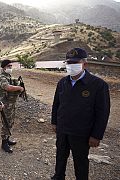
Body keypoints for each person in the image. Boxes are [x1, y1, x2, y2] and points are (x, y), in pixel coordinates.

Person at [51, 48, 110, 180]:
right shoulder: (62, 83)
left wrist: (96, 135)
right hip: (63, 130)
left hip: (81, 133)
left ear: (85, 64)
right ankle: (58, 176)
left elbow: (102, 113)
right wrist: (54, 122)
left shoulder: (98, 85)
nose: (71, 66)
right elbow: (56, 104)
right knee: (60, 156)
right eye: (68, 63)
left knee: (81, 161)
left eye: (75, 63)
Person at [0, 60, 24, 153]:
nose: (10, 67)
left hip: (10, 103)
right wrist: (19, 88)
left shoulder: (8, 76)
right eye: (8, 66)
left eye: (11, 66)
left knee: (10, 122)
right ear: (4, 67)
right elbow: (7, 87)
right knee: (6, 123)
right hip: (5, 104)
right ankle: (4, 143)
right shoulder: (1, 77)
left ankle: (7, 139)